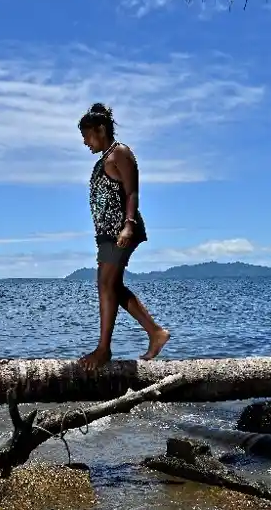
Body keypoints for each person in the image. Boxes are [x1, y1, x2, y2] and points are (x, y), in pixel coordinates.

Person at [77, 103, 170, 370]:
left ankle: (104, 350)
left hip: (121, 230)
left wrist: (128, 224)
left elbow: (132, 192)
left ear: (101, 129)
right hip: (106, 234)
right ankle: (155, 332)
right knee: (111, 287)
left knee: (106, 285)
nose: (85, 142)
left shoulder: (120, 153)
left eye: (87, 135)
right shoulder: (103, 159)